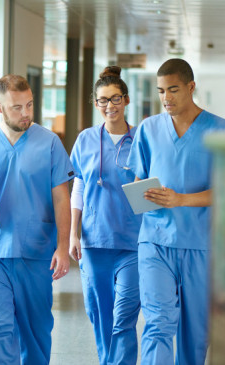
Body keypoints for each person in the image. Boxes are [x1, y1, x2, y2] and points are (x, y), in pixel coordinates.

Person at [127, 58, 225, 364]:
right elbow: (140, 180)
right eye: (161, 91)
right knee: (158, 323)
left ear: (191, 87)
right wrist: (139, 196)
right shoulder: (149, 129)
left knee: (195, 335)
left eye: (173, 89)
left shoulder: (221, 130)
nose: (166, 98)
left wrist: (180, 200)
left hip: (200, 245)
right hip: (155, 242)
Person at [0, 74, 74, 365]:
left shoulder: (49, 143)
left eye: (30, 105)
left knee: (35, 331)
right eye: (17, 107)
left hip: (35, 250)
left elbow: (62, 198)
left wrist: (63, 248)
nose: (25, 113)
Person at [69, 66, 141, 365]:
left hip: (133, 241)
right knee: (99, 312)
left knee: (124, 313)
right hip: (95, 240)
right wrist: (73, 233)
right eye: (102, 100)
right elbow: (79, 186)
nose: (109, 106)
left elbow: (150, 185)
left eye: (115, 99)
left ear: (125, 100)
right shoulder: (85, 139)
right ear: (95, 103)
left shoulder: (141, 139)